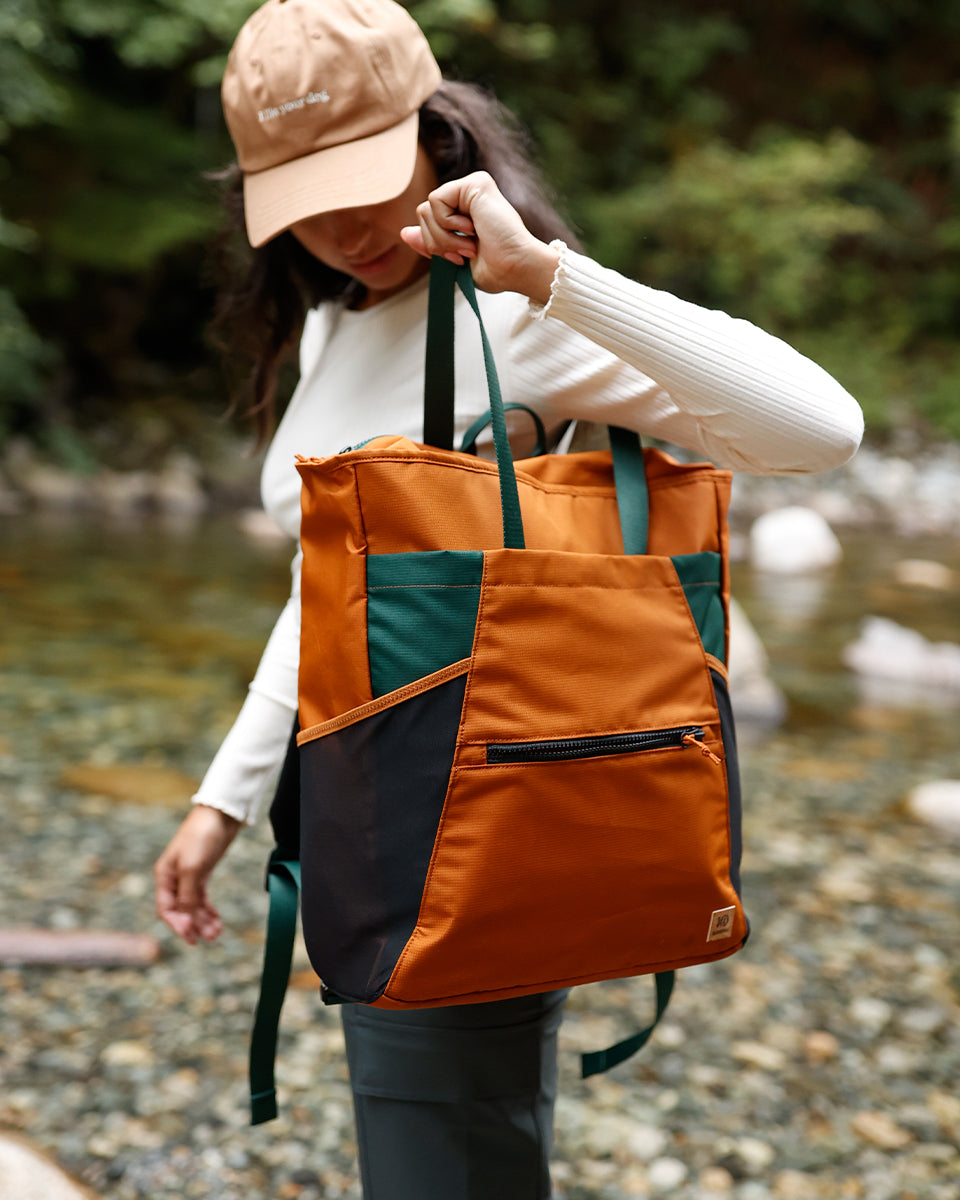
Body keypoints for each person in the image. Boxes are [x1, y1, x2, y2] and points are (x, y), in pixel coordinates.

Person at [154, 0, 864, 1196]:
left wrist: (549, 276)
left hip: (467, 800)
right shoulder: (340, 323)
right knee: (438, 1143)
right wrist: (223, 801)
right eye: (302, 201)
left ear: (440, 133)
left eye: (361, 178)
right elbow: (324, 592)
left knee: (446, 1149)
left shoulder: (516, 317)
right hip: (371, 801)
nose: (337, 226)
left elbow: (821, 429)